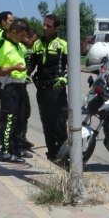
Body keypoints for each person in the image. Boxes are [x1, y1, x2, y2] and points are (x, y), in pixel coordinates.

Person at [28, 14, 69, 161]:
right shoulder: (37, 44)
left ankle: (64, 158)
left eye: (49, 26)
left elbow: (72, 66)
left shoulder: (63, 44)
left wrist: (65, 78)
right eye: (44, 25)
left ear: (56, 28)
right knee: (47, 125)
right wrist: (27, 73)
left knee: (59, 125)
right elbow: (32, 64)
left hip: (57, 92)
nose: (44, 28)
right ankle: (52, 155)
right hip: (42, 91)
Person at [0, 19, 30, 163]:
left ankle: (18, 148)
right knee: (9, 121)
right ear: (14, 32)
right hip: (9, 87)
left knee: (21, 119)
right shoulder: (1, 46)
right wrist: (14, 68)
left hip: (20, 86)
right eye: (21, 36)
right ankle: (6, 152)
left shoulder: (18, 45)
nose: (23, 39)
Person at [0, 11, 14, 142]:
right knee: (7, 108)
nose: (13, 23)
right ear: (3, 22)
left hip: (12, 77)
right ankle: (4, 134)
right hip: (5, 75)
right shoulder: (0, 34)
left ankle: (7, 133)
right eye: (11, 21)